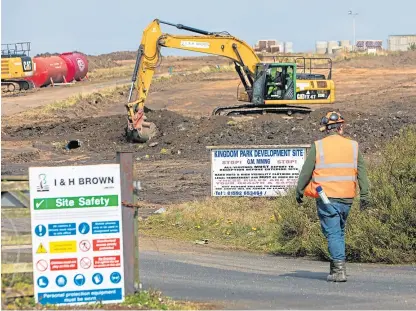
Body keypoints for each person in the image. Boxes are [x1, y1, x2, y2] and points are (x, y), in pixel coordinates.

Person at [295, 111, 370, 282]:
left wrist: (299, 191)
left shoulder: (319, 146)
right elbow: (362, 174)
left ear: (326, 129)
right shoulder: (353, 146)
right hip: (347, 197)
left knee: (333, 233)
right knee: (339, 231)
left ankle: (339, 271)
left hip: (326, 197)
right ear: (341, 128)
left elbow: (306, 172)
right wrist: (365, 196)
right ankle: (335, 266)